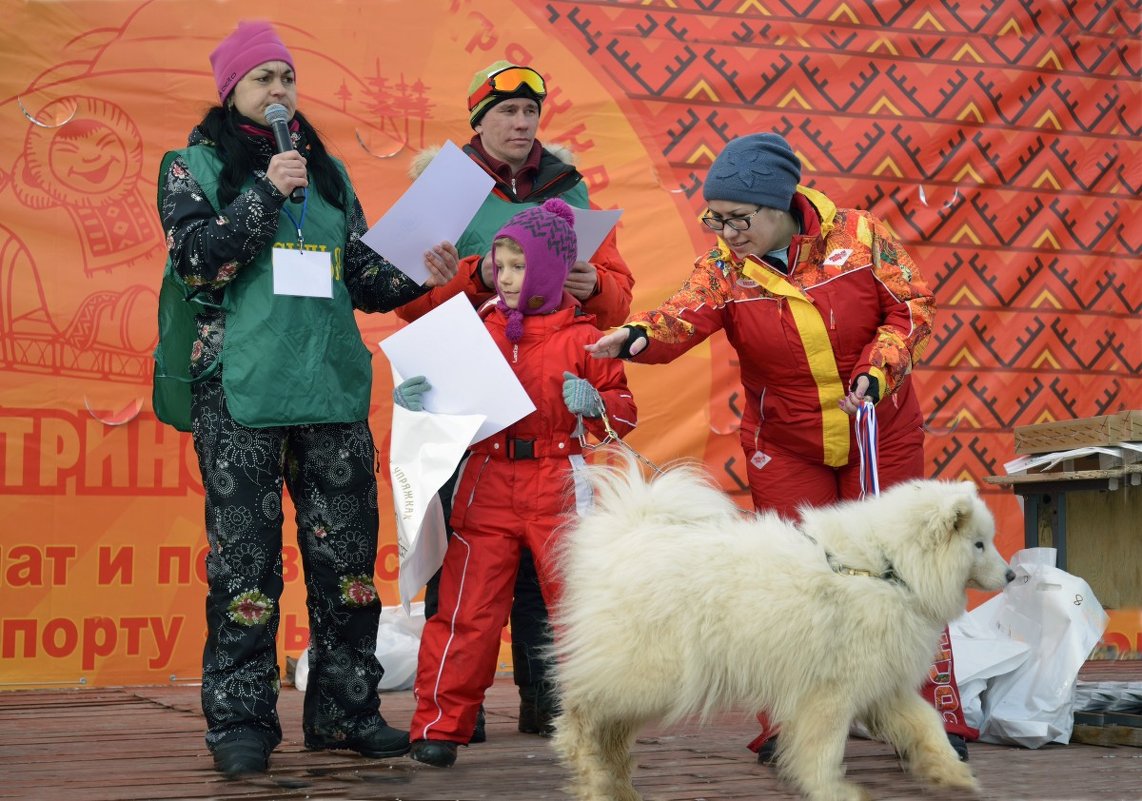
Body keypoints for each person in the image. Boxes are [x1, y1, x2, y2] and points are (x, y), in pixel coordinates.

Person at [586, 132, 977, 762]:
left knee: (904, 573)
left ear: (777, 207)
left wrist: (880, 371)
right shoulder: (724, 268)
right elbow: (681, 318)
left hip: (877, 429)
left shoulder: (858, 237)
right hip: (786, 442)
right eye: (715, 218)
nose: (725, 232)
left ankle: (932, 721)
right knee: (787, 583)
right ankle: (791, 726)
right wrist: (635, 337)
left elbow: (910, 307)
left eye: (737, 219)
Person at [154, 20, 459, 777]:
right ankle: (240, 720)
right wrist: (264, 189)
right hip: (241, 394)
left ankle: (346, 710)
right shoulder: (192, 165)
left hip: (330, 389)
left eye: (288, 76)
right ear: (232, 91)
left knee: (349, 567)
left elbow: (363, 277)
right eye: (264, 79)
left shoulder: (325, 173)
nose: (282, 90)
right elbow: (197, 260)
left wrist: (425, 268)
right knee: (245, 570)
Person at [395, 60, 635, 739]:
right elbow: (403, 295)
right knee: (465, 561)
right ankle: (455, 713)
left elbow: (619, 295)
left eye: (531, 111)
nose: (522, 122)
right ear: (479, 122)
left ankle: (546, 698)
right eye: (506, 112)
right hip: (464, 391)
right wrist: (476, 279)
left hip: (547, 395)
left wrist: (593, 285)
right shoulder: (444, 189)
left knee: (549, 567)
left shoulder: (568, 184)